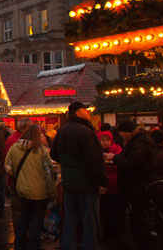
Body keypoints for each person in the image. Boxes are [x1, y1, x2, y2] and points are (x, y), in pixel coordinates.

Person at [51, 102, 107, 250]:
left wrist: (67, 163)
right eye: (85, 110)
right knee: (90, 220)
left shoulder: (62, 130)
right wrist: (103, 180)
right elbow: (94, 160)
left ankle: (68, 246)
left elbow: (53, 153)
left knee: (70, 218)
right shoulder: (86, 132)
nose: (88, 112)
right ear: (79, 112)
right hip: (86, 181)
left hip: (69, 181)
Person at [104, 118, 152, 249]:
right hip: (134, 184)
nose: (120, 135)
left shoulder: (139, 144)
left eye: (121, 133)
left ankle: (141, 242)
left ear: (127, 132)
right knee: (137, 214)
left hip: (136, 185)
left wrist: (115, 157)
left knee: (139, 214)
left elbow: (132, 162)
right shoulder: (138, 141)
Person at [5, 124, 56, 250]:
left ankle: (19, 243)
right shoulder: (41, 150)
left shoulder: (14, 148)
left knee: (24, 216)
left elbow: (7, 167)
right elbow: (49, 172)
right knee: (37, 219)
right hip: (40, 190)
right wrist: (52, 192)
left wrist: (17, 174)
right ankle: (34, 244)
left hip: (22, 189)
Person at [97, 130, 123, 245]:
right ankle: (106, 234)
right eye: (103, 140)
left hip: (115, 185)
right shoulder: (97, 152)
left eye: (107, 140)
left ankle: (116, 235)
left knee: (115, 212)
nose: (105, 142)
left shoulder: (117, 151)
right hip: (103, 186)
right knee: (104, 212)